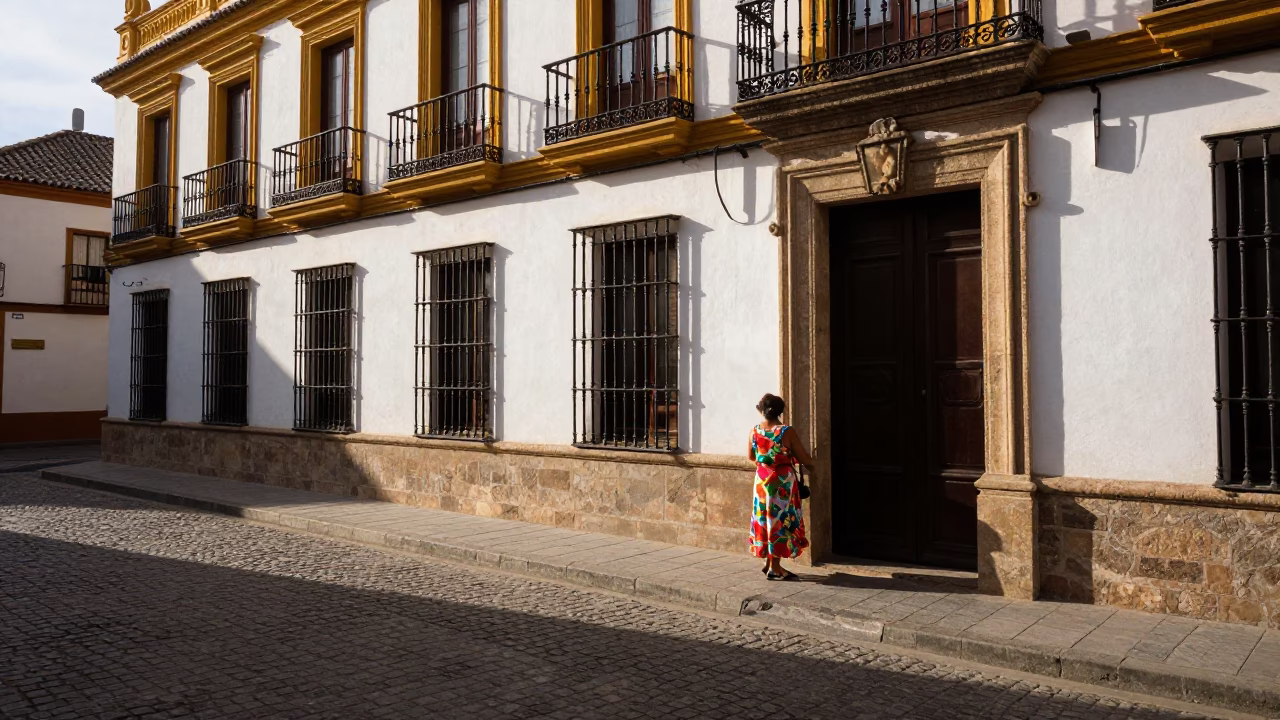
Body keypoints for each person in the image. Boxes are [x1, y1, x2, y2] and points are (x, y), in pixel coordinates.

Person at [747, 393, 811, 581]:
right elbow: (803, 457)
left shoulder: (754, 431)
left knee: (765, 518)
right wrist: (815, 464)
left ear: (761, 409)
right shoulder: (786, 431)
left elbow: (751, 457)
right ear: (780, 411)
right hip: (781, 483)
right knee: (779, 519)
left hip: (761, 481)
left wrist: (767, 463)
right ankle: (775, 568)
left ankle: (768, 562)